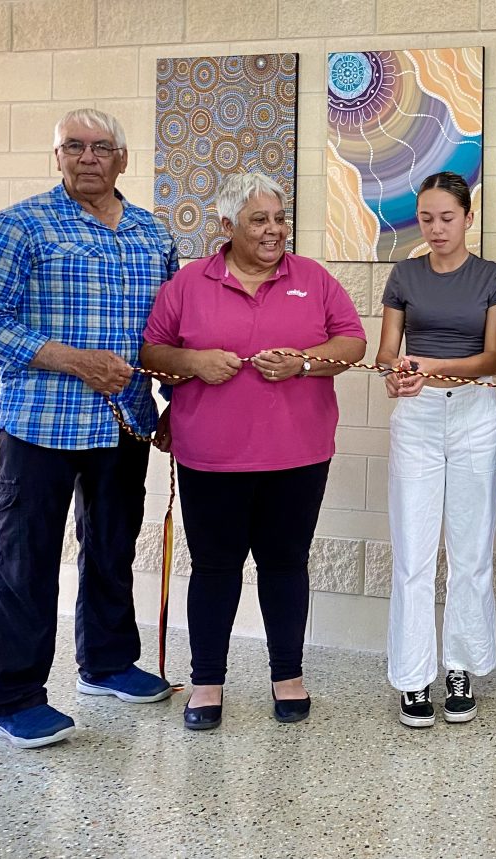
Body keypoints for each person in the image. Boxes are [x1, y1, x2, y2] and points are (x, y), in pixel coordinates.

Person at [0, 109, 178, 749]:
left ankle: (108, 663)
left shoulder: (153, 233)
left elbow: (170, 332)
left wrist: (177, 401)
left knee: (114, 547)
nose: (87, 157)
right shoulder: (19, 226)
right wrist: (71, 359)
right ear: (58, 156)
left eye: (101, 148)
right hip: (42, 422)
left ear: (123, 159)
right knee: (24, 560)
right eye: (74, 146)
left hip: (125, 421)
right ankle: (12, 696)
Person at [141, 173, 367, 731]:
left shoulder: (311, 278)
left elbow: (353, 341)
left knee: (285, 565)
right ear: (226, 227)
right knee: (215, 568)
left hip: (299, 455)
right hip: (211, 459)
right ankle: (207, 682)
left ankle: (287, 675)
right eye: (258, 220)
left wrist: (305, 362)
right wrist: (194, 364)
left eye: (279, 218)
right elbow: (152, 350)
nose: (274, 231)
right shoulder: (189, 283)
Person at [376, 172, 496, 728]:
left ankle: (459, 667)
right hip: (418, 416)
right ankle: (413, 679)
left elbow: (494, 359)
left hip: (476, 413)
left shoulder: (491, 277)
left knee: (471, 552)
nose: (435, 228)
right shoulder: (404, 274)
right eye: (426, 219)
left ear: (467, 218)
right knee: (413, 555)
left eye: (446, 218)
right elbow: (387, 351)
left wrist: (435, 367)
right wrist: (396, 374)